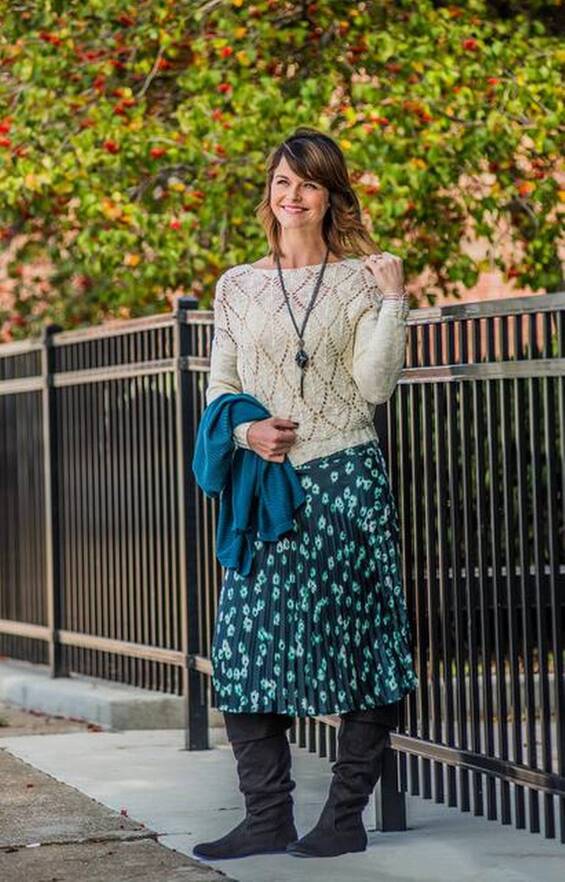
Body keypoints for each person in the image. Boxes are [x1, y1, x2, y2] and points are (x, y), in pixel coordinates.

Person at [192, 126, 419, 861]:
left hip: (346, 479)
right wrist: (246, 433)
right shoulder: (237, 285)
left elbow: (372, 386)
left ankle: (344, 817)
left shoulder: (359, 279)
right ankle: (267, 817)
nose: (292, 197)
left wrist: (391, 302)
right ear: (269, 191)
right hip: (270, 490)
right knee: (245, 649)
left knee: (360, 643)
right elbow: (221, 389)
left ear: (330, 197)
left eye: (309, 185)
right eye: (282, 182)